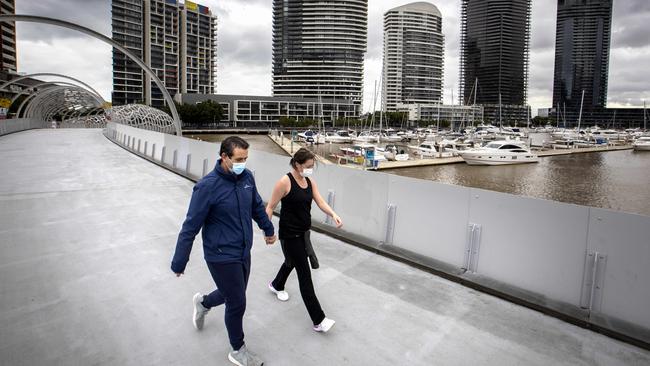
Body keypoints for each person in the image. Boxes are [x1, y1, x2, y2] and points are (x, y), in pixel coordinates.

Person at [171, 136, 276, 366]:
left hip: (242, 250)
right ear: (224, 157)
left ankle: (204, 303)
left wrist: (268, 229)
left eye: (246, 159)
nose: (243, 163)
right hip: (220, 254)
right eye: (239, 159)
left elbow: (256, 206)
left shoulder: (247, 177)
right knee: (237, 301)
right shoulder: (207, 187)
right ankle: (237, 349)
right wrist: (179, 262)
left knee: (231, 293)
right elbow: (190, 226)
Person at [265, 148, 343, 333]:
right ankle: (319, 320)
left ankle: (276, 285)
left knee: (290, 262)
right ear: (297, 164)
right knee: (304, 275)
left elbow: (320, 201)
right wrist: (268, 232)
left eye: (312, 167)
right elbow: (270, 207)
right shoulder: (284, 182)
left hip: (303, 233)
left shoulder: (309, 181)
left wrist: (333, 214)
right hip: (289, 235)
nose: (310, 170)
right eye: (307, 166)